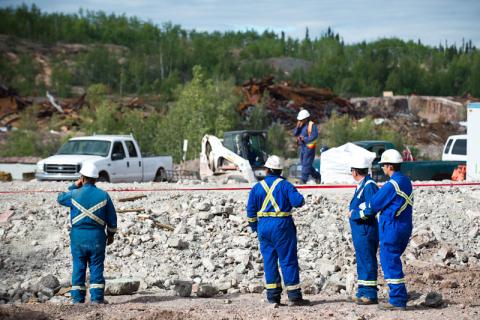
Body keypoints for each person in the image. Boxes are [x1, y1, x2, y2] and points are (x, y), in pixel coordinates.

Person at [246, 155, 310, 307]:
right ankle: (294, 297)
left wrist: (255, 228)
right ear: (280, 170)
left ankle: (273, 297)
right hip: (282, 226)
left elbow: (250, 211)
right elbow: (298, 202)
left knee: (269, 261)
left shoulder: (257, 187)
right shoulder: (285, 185)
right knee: (288, 260)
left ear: (267, 170)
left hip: (264, 227)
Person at [358, 149, 413, 311]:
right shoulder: (405, 181)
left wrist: (358, 213)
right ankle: (399, 297)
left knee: (389, 261)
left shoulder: (391, 185)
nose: (382, 168)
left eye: (383, 165)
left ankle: (397, 300)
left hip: (392, 227)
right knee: (393, 260)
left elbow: (374, 205)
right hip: (404, 226)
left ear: (389, 166)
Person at [57, 162, 117, 304]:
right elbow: (112, 219)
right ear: (96, 179)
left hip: (78, 237)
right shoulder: (104, 195)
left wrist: (74, 185)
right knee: (96, 267)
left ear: (82, 178)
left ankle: (77, 299)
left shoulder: (74, 194)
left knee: (79, 266)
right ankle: (97, 299)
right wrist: (111, 235)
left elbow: (60, 198)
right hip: (97, 237)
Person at [347, 157, 379, 305]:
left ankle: (370, 294)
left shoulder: (369, 186)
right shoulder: (363, 185)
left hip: (366, 229)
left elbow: (371, 208)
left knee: (367, 260)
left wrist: (354, 214)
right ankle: (362, 291)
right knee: (361, 260)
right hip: (360, 230)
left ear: (355, 171)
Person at [293, 109, 321, 184]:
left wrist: (304, 139)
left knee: (306, 164)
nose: (300, 121)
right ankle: (317, 176)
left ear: (306, 119)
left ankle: (303, 180)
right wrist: (298, 127)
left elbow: (314, 136)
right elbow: (295, 133)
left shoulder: (311, 125)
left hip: (309, 147)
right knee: (304, 164)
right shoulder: (301, 126)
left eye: (301, 120)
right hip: (302, 147)